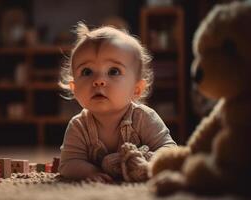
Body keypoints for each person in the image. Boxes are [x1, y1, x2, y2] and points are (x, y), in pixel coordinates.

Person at [58, 22, 177, 183]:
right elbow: (68, 164)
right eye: (87, 72)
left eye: (113, 71)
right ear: (74, 88)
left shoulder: (143, 117)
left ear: (136, 89)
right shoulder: (79, 126)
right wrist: (91, 172)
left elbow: (169, 150)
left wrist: (146, 161)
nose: (99, 80)